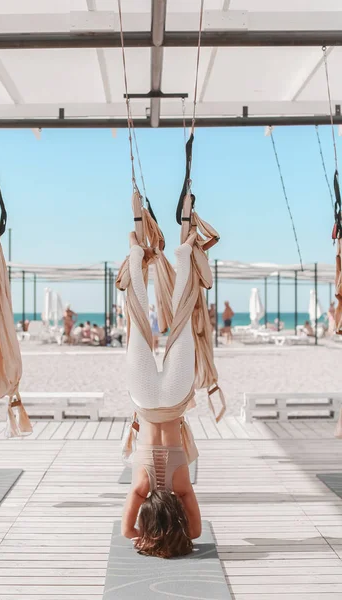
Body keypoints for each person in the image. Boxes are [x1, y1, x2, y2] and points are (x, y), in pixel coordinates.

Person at [121, 232, 201, 557]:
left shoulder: (181, 486)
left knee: (182, 320)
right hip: (145, 402)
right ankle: (136, 256)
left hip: (174, 400)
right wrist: (148, 537)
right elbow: (128, 530)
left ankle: (183, 257)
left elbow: (194, 530)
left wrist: (169, 536)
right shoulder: (141, 487)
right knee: (139, 322)